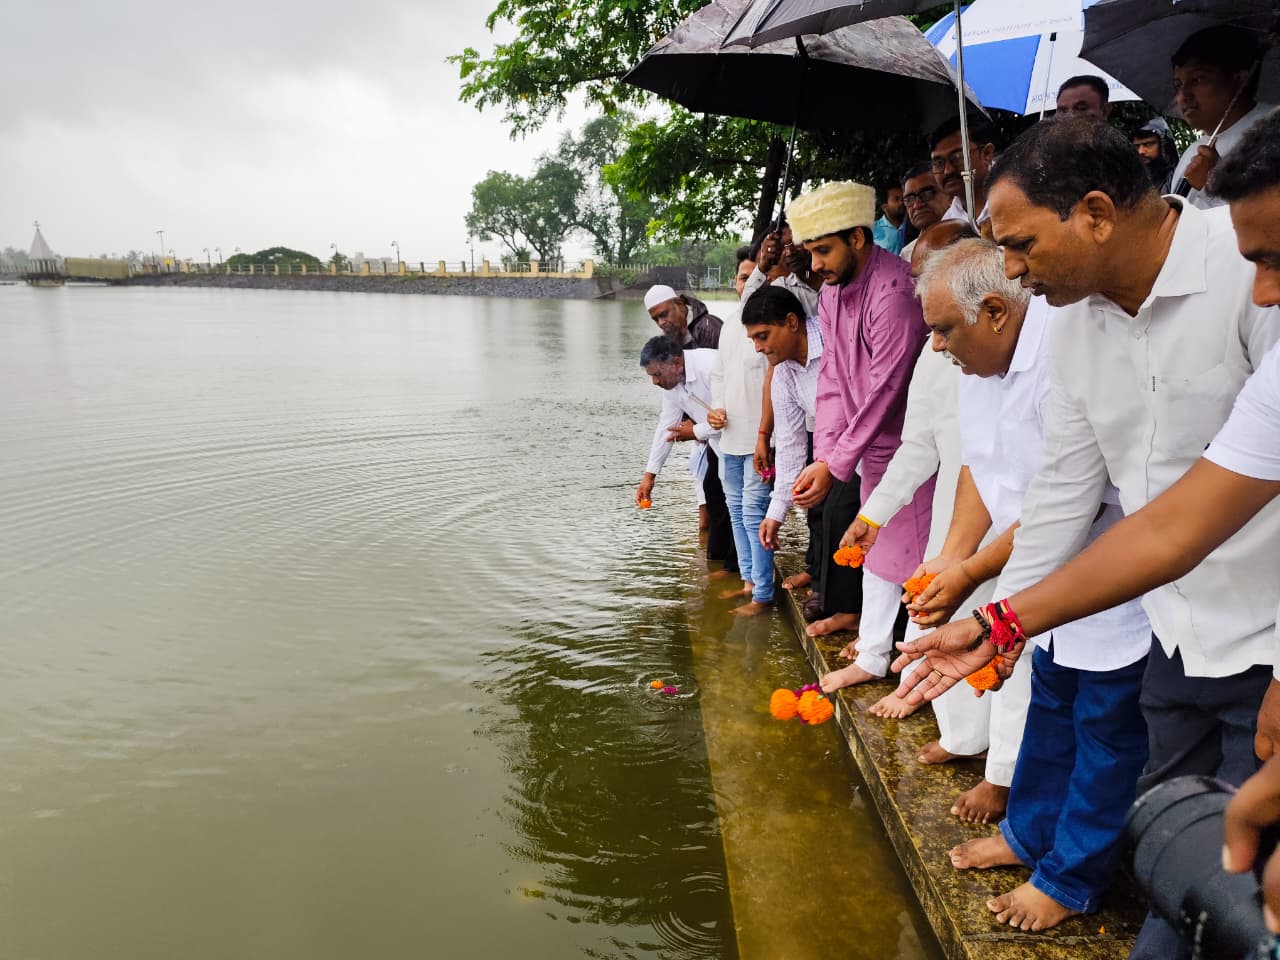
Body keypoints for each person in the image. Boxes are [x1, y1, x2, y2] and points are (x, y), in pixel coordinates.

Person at [889, 116, 1280, 959]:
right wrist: (1004, 627)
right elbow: (1062, 492)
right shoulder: (1069, 322)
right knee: (1176, 838)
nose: (1016, 271)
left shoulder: (1247, 267)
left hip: (1267, 637)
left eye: (1022, 244)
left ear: (1097, 213)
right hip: (1171, 630)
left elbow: (1179, 520)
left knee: (1253, 885)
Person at [915, 238, 1151, 932]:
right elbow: (978, 470)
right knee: (1048, 719)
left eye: (943, 329)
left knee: (1105, 740)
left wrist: (982, 587)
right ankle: (1027, 835)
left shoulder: (1062, 355)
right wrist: (954, 566)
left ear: (994, 312)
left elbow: (1061, 504)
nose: (933, 347)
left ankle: (1071, 877)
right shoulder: (977, 362)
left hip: (1104, 585)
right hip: (1036, 590)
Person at [783, 180, 931, 685]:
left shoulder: (894, 292)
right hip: (867, 451)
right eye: (811, 252)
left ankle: (911, 664)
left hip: (913, 448)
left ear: (859, 239)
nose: (816, 265)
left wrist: (834, 463)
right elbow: (831, 382)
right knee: (875, 551)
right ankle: (876, 654)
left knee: (915, 562)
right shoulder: (830, 295)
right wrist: (824, 453)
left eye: (824, 250)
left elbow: (886, 389)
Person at [842, 220, 981, 724]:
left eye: (927, 276)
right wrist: (874, 515)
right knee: (942, 609)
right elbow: (919, 444)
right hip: (954, 507)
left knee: (1005, 634)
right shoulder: (933, 349)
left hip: (1014, 518)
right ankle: (957, 730)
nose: (915, 290)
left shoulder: (1019, 341)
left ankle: (1000, 762)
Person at [705, 262, 776, 616]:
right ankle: (748, 581)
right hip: (728, 436)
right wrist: (715, 409)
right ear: (734, 282)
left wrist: (766, 432)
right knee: (735, 509)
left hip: (760, 438)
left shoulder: (770, 323)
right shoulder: (732, 324)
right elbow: (719, 375)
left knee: (753, 513)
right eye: (742, 277)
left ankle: (763, 593)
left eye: (754, 275)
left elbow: (776, 382)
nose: (748, 282)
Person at [634, 336, 738, 575]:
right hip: (716, 443)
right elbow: (666, 426)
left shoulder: (711, 366)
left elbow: (735, 414)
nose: (654, 381)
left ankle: (736, 567)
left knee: (736, 504)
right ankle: (718, 560)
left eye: (657, 374)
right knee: (714, 496)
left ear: (676, 363)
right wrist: (650, 475)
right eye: (651, 375)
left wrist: (696, 431)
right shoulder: (671, 384)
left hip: (741, 443)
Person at [1168, 25, 1273, 209]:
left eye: (1197, 80)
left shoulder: (1273, 132)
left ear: (1240, 78)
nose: (1183, 95)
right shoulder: (1193, 152)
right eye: (1178, 85)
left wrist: (1213, 184)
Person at [742, 219, 821, 320]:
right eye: (782, 247)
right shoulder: (783, 287)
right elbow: (747, 313)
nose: (789, 252)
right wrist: (762, 266)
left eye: (795, 242)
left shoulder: (834, 273)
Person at [930, 116, 998, 233]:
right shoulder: (948, 225)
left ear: (986, 154)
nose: (948, 170)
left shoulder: (1023, 195)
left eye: (958, 157)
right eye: (938, 163)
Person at [900, 161, 954, 262]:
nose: (917, 205)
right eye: (909, 199)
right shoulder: (906, 255)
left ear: (950, 195)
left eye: (927, 194)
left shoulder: (974, 235)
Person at [645, 284, 723, 349]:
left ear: (680, 304)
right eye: (655, 319)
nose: (660, 323)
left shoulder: (711, 330)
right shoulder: (667, 338)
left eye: (664, 314)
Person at [1131, 118, 1178, 194]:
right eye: (1137, 146)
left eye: (1148, 144)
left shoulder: (1176, 177)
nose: (1140, 151)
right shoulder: (1132, 180)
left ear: (1163, 146)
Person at [873, 183, 906, 255]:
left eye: (903, 198)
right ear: (885, 207)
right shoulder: (872, 231)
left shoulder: (914, 225)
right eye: (896, 199)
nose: (902, 202)